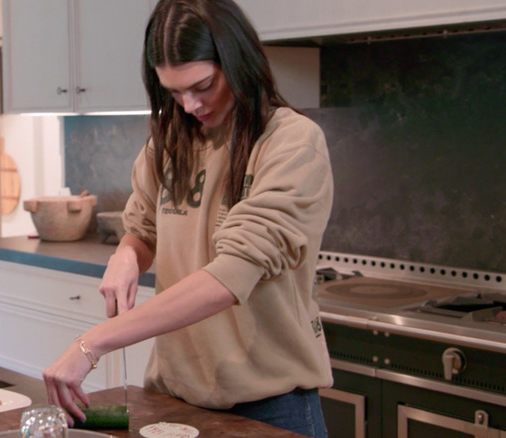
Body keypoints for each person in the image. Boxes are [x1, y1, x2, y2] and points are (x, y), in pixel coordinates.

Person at [42, 0, 333, 436]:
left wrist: (93, 343)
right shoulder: (170, 138)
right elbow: (142, 228)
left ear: (237, 62)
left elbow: (229, 277)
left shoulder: (291, 143)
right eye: (174, 92)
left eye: (203, 85)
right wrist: (127, 253)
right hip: (173, 396)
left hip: (268, 406)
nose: (190, 104)